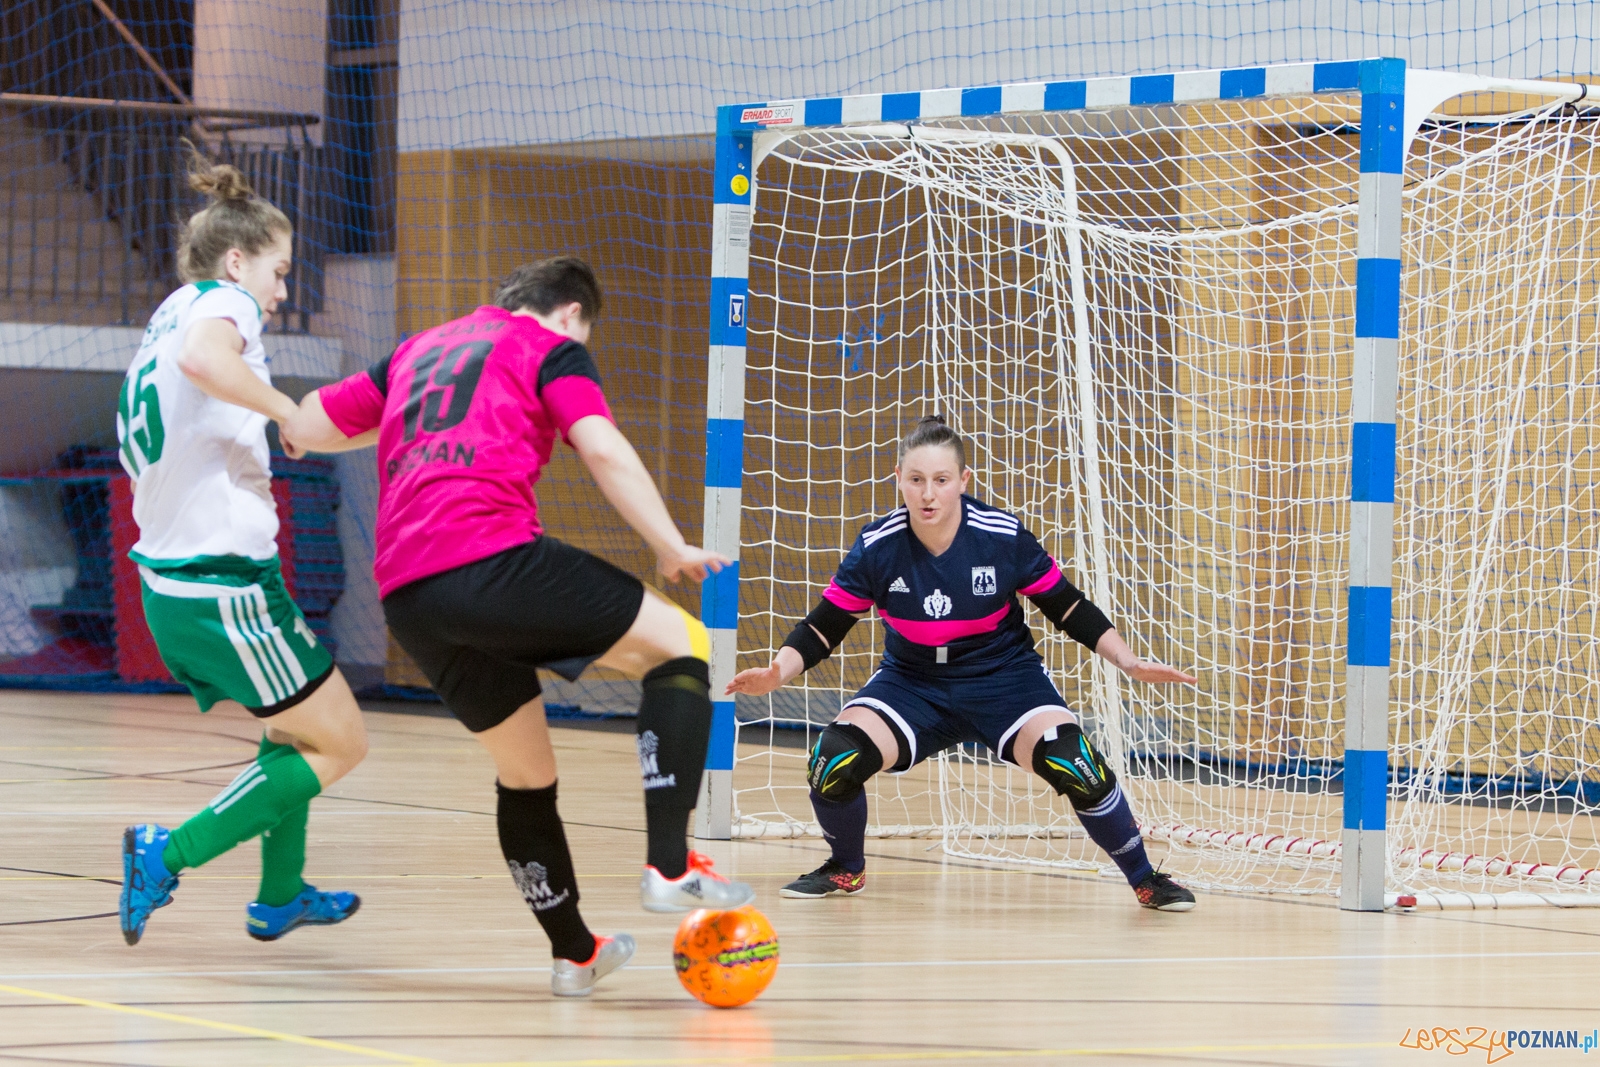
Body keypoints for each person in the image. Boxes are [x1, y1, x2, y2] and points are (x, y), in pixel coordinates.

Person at [282, 256, 754, 997]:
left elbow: (307, 425)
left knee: (525, 772)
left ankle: (576, 954)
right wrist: (670, 545)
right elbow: (599, 444)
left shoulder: (415, 351)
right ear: (569, 313)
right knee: (683, 647)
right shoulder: (551, 348)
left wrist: (288, 419)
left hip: (408, 596)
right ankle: (670, 865)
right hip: (489, 557)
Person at [727, 415, 1201, 911]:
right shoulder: (876, 546)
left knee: (1075, 761)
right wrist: (778, 671)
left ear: (962, 482)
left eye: (940, 480)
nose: (928, 494)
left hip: (1004, 680)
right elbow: (825, 625)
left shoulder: (1000, 536)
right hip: (912, 685)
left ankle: (1146, 879)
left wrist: (1128, 661)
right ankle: (846, 868)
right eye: (916, 480)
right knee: (833, 758)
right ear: (898, 479)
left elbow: (1068, 606)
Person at [115, 151, 369, 947]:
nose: (283, 290)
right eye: (280, 271)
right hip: (219, 582)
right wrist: (287, 412)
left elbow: (195, 375)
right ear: (237, 260)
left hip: (196, 576)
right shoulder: (224, 304)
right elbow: (207, 361)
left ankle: (280, 894)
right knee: (342, 741)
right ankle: (170, 849)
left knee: (294, 729)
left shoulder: (171, 310)